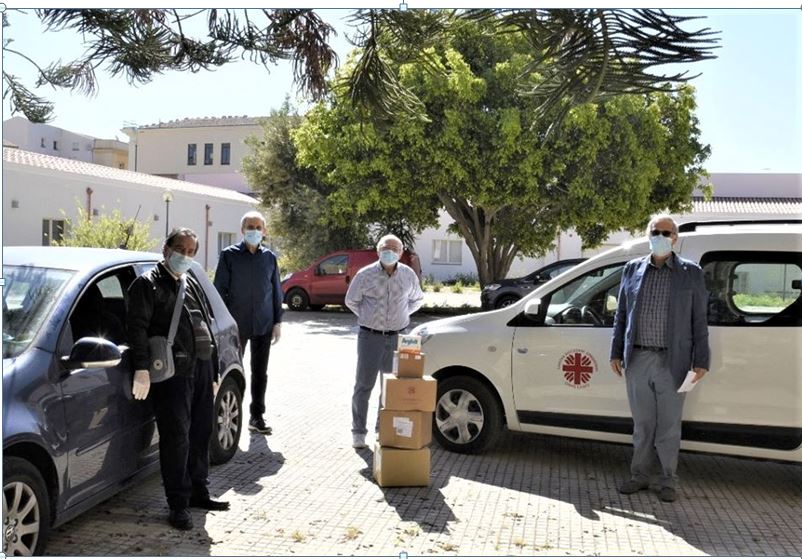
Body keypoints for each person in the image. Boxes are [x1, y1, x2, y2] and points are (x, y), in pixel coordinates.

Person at [127, 228, 230, 531]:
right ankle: (178, 504)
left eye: (191, 251)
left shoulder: (190, 280)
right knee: (176, 439)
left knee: (201, 432)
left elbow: (205, 325)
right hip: (171, 374)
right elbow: (137, 328)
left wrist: (213, 370)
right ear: (166, 249)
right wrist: (142, 368)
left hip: (199, 371)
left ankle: (199, 491)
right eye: (180, 249)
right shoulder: (146, 284)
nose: (185, 256)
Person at [609, 214, 710, 503]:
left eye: (667, 232)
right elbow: (621, 315)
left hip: (674, 361)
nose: (661, 236)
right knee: (642, 425)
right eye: (656, 231)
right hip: (638, 358)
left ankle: (668, 480)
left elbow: (699, 319)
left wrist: (701, 360)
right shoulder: (632, 269)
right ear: (648, 234)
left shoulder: (691, 272)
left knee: (668, 426)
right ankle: (639, 475)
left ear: (675, 238)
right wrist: (615, 351)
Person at [345, 234, 425, 449]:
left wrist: (402, 314)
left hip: (396, 337)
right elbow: (351, 301)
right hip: (370, 337)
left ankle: (383, 429)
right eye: (385, 248)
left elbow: (418, 299)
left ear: (401, 252)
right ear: (378, 251)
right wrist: (368, 316)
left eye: (393, 249)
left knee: (390, 388)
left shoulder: (408, 275)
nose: (389, 252)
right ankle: (358, 431)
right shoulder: (365, 274)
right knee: (363, 385)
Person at [214, 210, 283, 435]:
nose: (254, 231)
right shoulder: (229, 255)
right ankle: (230, 415)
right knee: (233, 372)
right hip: (236, 327)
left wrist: (277, 322)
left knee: (260, 373)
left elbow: (276, 292)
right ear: (242, 230)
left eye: (257, 227)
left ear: (264, 231)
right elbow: (219, 291)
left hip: (264, 323)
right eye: (249, 227)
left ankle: (257, 416)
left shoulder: (269, 258)